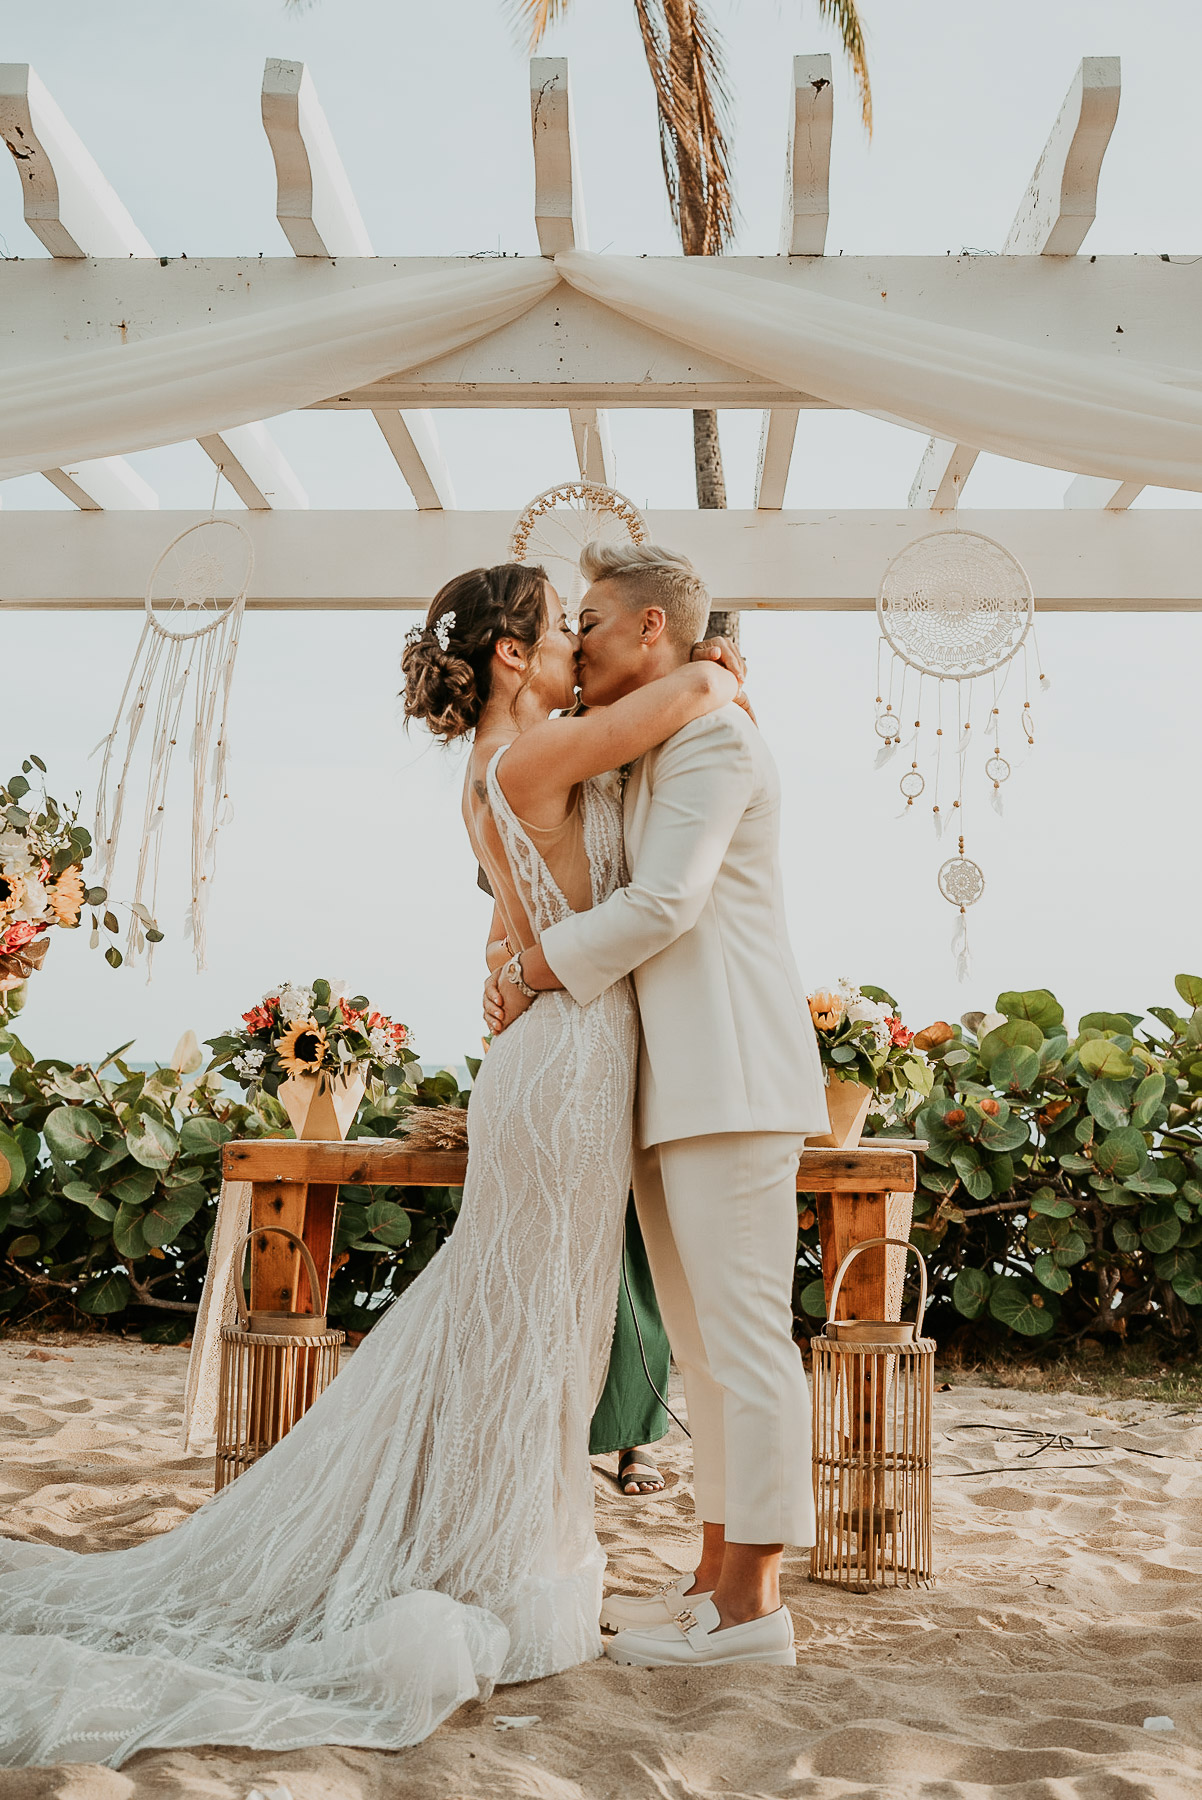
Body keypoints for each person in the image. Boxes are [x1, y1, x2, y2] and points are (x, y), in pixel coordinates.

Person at [0, 561, 739, 1768]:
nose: (572, 645)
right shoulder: (527, 756)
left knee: (532, 1320)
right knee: (528, 1321)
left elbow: (523, 914)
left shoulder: (512, 762)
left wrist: (513, 965)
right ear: (513, 657)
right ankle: (502, 1564)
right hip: (565, 1066)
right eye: (560, 631)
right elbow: (690, 688)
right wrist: (711, 664)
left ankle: (508, 1551)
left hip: (561, 1054)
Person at [485, 541, 829, 1671]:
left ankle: (754, 1607)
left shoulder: (717, 737)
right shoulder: (659, 740)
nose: (571, 640)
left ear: (649, 629)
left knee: (741, 1343)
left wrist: (537, 971)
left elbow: (669, 901)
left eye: (588, 618)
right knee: (701, 1346)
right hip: (669, 1086)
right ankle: (710, 1580)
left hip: (727, 1074)